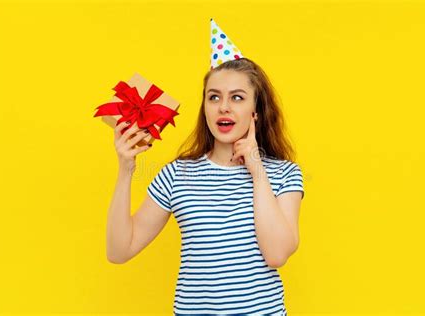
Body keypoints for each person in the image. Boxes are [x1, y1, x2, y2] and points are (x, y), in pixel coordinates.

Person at [106, 20, 304, 315]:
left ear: (256, 111)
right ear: (205, 108)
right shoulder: (176, 175)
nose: (223, 107)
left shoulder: (284, 173)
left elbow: (276, 254)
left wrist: (256, 169)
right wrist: (125, 169)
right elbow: (119, 251)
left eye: (237, 97)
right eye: (214, 97)